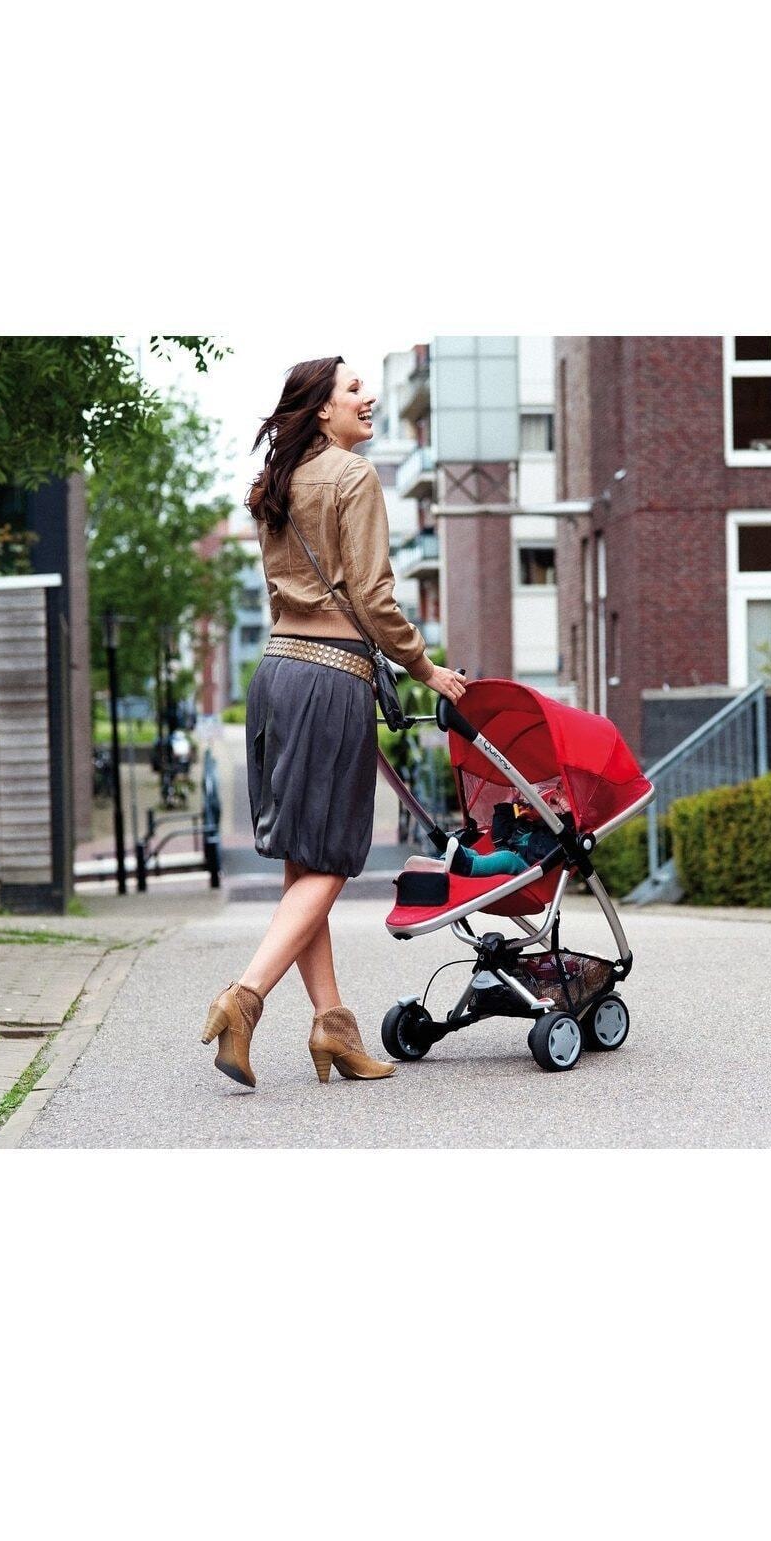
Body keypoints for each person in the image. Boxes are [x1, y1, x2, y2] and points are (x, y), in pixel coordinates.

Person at [200, 356, 467, 1089]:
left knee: (303, 861)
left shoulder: (275, 483)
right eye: (353, 388)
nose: (368, 396)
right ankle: (245, 997)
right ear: (322, 408)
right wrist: (426, 668)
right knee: (333, 859)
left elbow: (284, 591)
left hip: (276, 674)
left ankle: (333, 1027)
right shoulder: (353, 476)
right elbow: (375, 599)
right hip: (329, 677)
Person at [441, 787, 571, 877]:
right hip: (507, 851)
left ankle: (465, 866)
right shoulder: (528, 824)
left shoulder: (561, 833)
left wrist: (568, 815)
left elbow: (562, 837)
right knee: (471, 852)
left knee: (507, 858)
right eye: (558, 788)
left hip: (532, 869)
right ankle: (440, 863)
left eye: (563, 791)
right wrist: (508, 802)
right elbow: (499, 837)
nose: (556, 793)